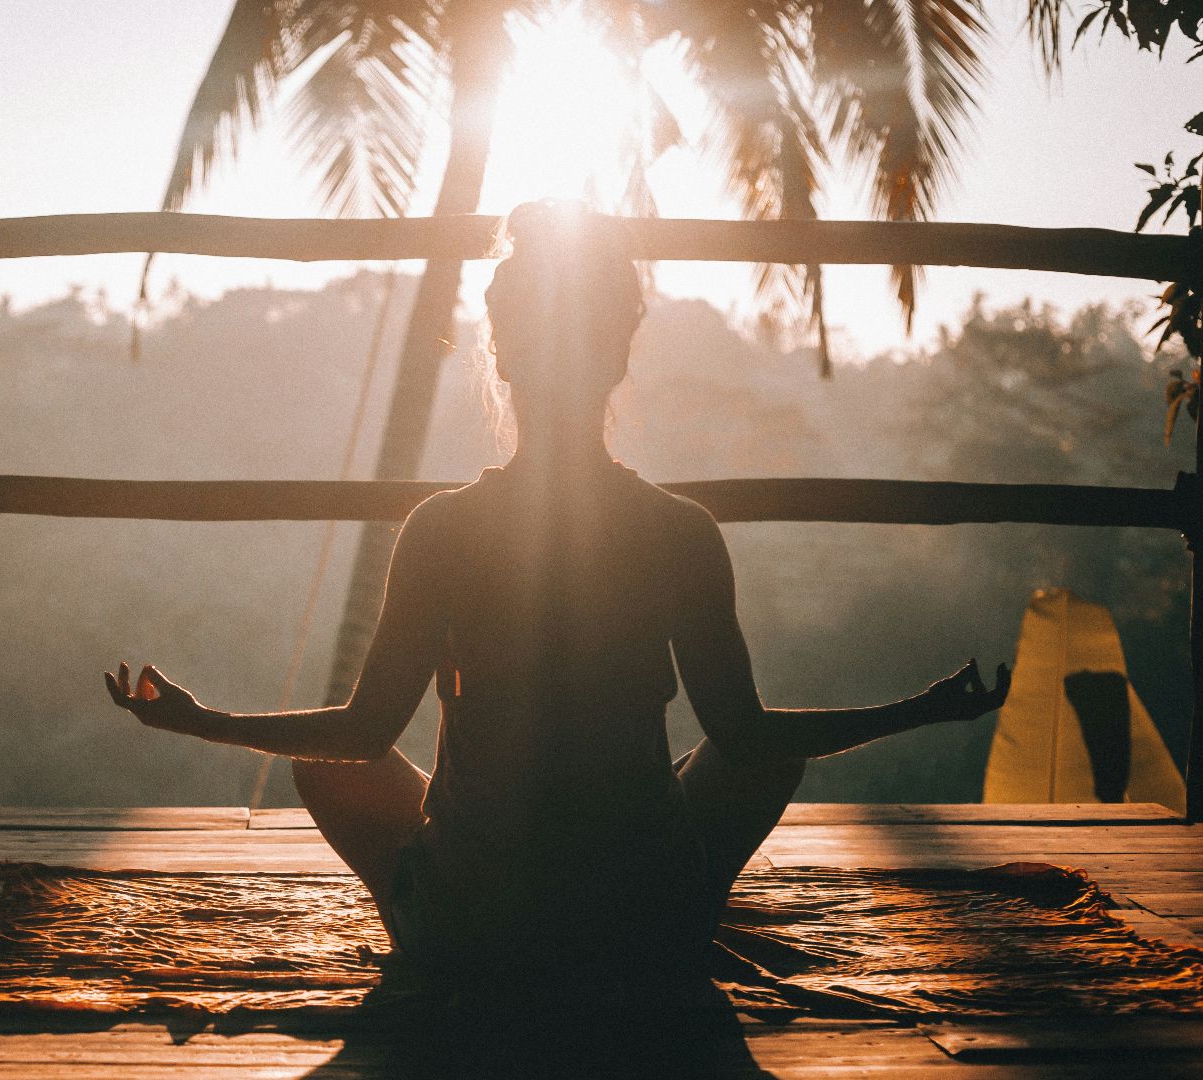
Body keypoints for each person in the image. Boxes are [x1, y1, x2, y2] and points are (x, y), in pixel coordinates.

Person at [103, 200, 1010, 995]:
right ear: (618, 359)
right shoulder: (679, 531)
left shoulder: (443, 529)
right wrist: (923, 709)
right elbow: (747, 737)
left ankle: (431, 921)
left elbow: (362, 734)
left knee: (327, 766)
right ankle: (679, 907)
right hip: (640, 929)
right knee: (762, 754)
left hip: (476, 934)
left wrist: (198, 718)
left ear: (502, 359)